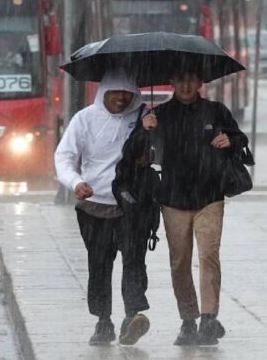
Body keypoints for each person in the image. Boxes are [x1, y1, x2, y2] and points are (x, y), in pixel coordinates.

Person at [132, 65, 247, 346]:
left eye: (191, 79)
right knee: (179, 262)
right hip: (173, 199)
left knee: (209, 255)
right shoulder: (159, 114)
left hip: (210, 196)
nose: (185, 85)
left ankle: (209, 317)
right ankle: (187, 320)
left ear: (200, 82)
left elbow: (241, 139)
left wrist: (230, 140)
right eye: (180, 79)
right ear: (172, 81)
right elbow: (139, 154)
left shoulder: (216, 110)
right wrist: (143, 129)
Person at [54, 69, 153, 346]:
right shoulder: (84, 119)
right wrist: (76, 182)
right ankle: (103, 321)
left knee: (134, 262)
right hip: (94, 208)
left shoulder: (144, 119)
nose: (121, 99)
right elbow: (64, 156)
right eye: (115, 92)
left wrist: (151, 142)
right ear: (103, 93)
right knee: (99, 266)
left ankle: (133, 315)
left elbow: (163, 155)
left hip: (132, 207)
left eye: (127, 93)